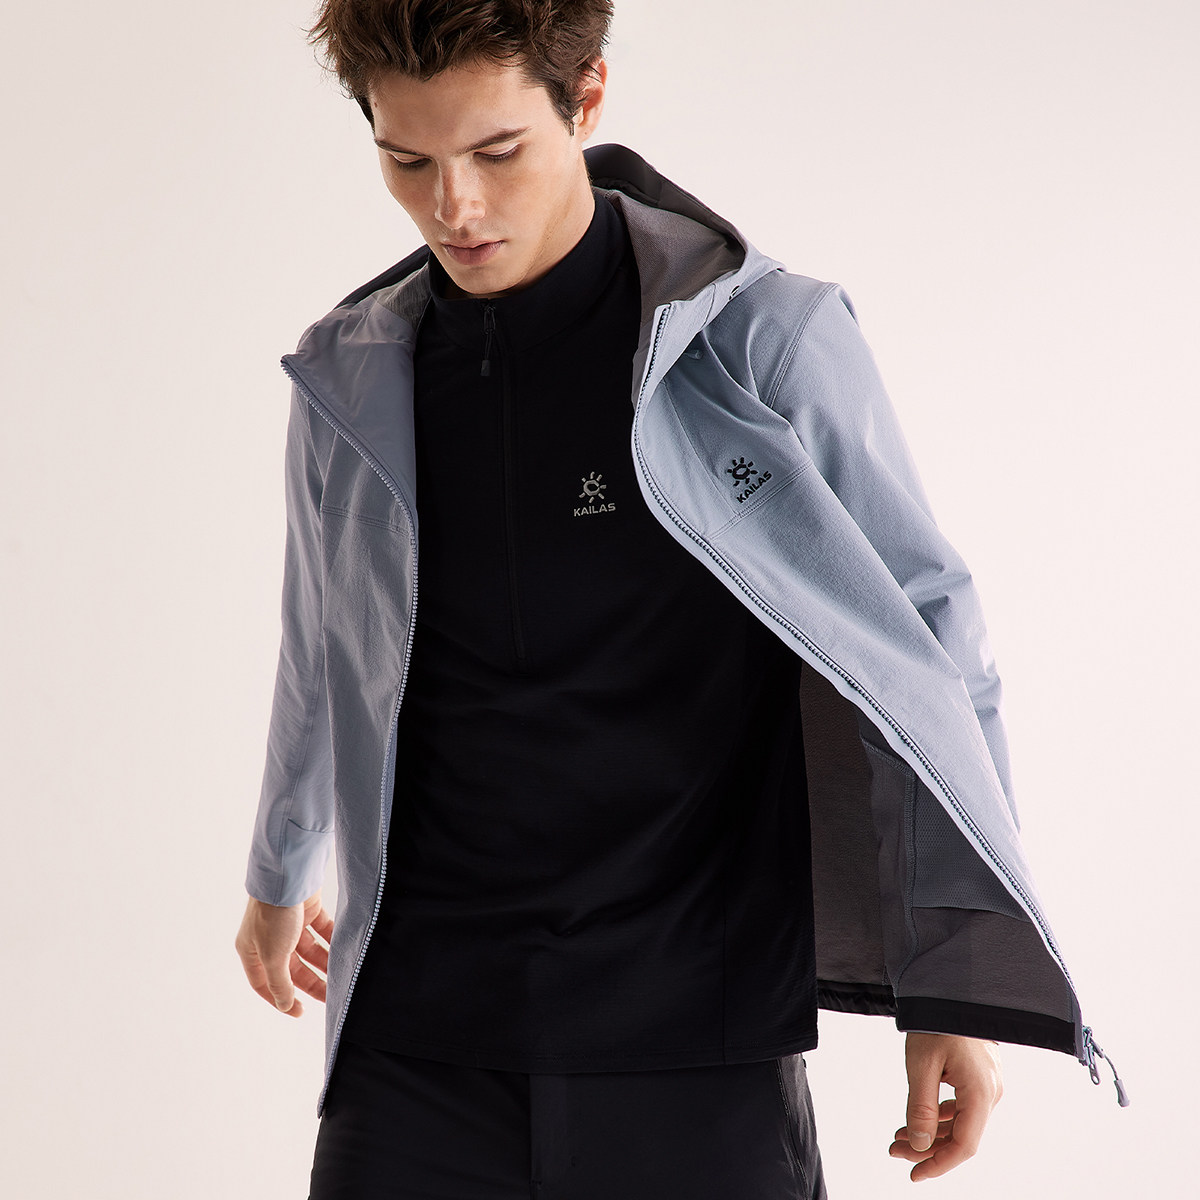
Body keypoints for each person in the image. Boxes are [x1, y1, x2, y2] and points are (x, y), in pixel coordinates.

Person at [235, 2, 1126, 1195]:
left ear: (587, 98)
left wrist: (954, 980)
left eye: (497, 152)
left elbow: (929, 638)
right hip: (416, 1046)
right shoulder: (354, 371)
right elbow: (318, 641)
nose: (455, 206)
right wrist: (278, 867)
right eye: (408, 161)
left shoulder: (762, 339)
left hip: (700, 1038)